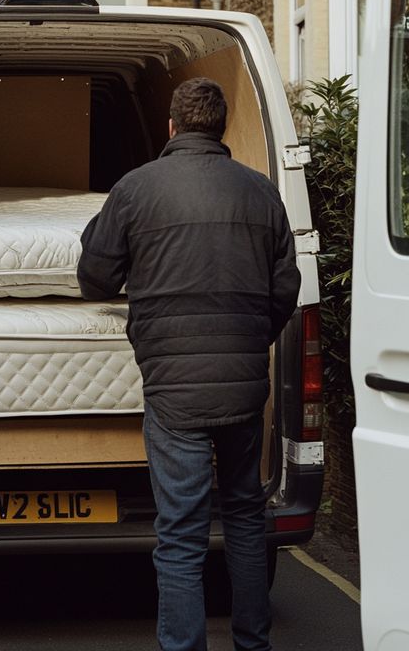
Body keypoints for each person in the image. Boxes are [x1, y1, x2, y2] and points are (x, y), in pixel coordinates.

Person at [77, 77, 301, 651]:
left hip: (174, 392)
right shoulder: (261, 193)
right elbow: (285, 290)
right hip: (244, 389)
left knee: (180, 533)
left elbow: (95, 276)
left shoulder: (135, 190)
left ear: (171, 127)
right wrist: (252, 344)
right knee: (246, 517)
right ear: (220, 128)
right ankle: (254, 643)